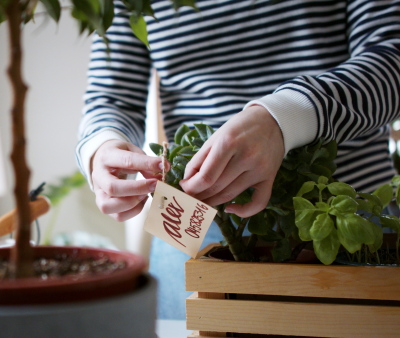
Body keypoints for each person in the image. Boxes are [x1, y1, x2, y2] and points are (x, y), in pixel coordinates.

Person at [76, 0, 400, 320]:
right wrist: (101, 147)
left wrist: (283, 118)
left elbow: (392, 58)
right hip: (193, 218)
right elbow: (110, 97)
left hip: (343, 215)